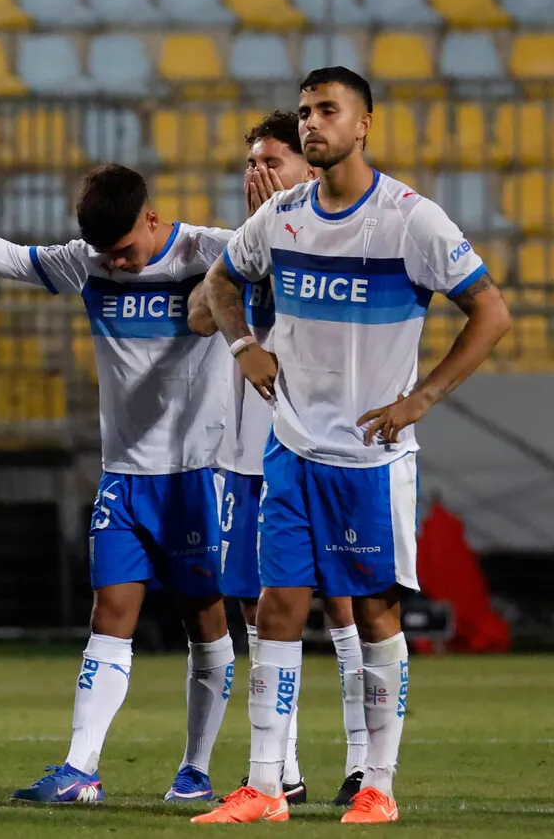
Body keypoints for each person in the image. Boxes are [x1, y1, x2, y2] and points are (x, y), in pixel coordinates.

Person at [194, 67, 511, 825]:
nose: (311, 124)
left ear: (363, 123)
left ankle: (378, 785)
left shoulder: (411, 219)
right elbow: (220, 280)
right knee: (276, 609)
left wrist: (422, 397)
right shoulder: (283, 216)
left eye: (327, 111)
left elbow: (490, 312)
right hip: (293, 449)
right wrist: (244, 347)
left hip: (370, 460)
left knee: (374, 615)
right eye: (304, 112)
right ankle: (266, 786)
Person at [0, 164, 236, 805]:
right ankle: (81, 768)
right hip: (123, 479)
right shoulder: (90, 265)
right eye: (109, 256)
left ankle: (195, 769)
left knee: (205, 619)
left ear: (154, 219)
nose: (122, 265)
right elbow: (12, 259)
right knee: (109, 615)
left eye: (129, 251)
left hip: (197, 476)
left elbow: (275, 260)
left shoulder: (208, 253)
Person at [189, 111, 369, 807]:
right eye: (250, 163)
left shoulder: (332, 237)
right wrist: (251, 241)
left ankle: (361, 763)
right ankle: (282, 769)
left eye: (272, 162)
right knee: (257, 609)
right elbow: (202, 314)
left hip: (319, 448)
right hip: (244, 454)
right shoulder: (245, 243)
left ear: (307, 169)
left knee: (346, 605)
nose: (256, 175)